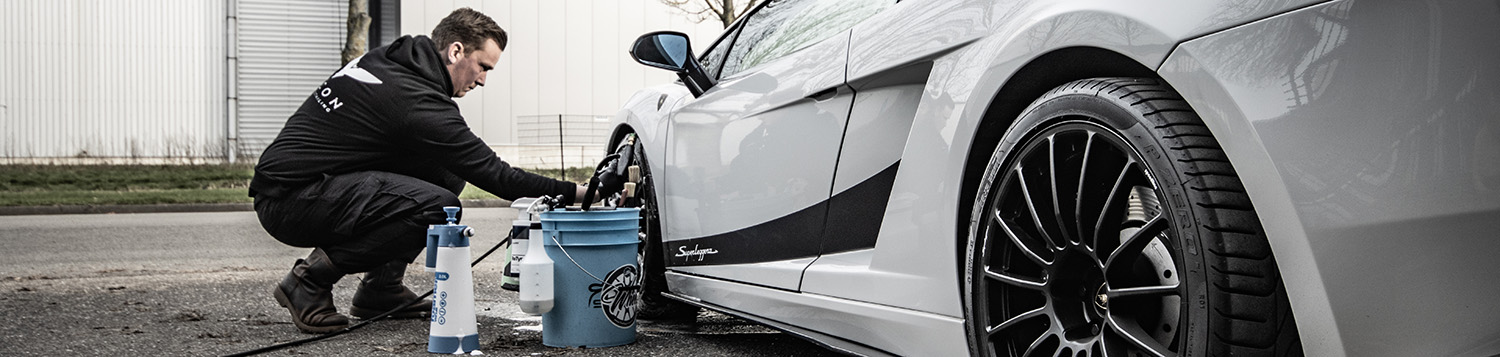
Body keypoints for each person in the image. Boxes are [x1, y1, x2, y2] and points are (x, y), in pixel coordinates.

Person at [249, 8, 588, 334]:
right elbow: (495, 174)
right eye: (483, 67)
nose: (483, 80)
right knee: (438, 206)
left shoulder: (394, 59)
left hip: (301, 185)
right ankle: (309, 281)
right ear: (456, 51)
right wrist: (582, 193)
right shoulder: (414, 98)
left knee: (448, 172)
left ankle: (381, 289)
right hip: (290, 200)